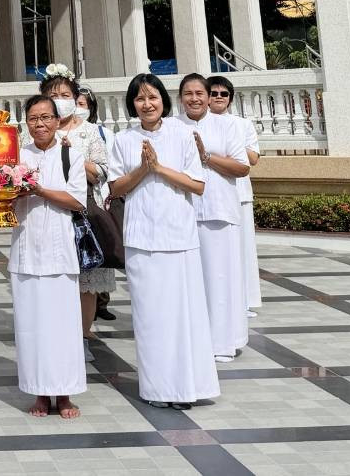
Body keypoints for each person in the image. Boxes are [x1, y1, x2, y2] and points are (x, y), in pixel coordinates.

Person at [108, 73, 218, 410]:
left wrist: (158, 168)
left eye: (152, 97)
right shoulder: (122, 139)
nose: (147, 104)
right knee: (150, 317)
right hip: (142, 239)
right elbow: (115, 189)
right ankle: (158, 389)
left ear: (163, 100)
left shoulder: (183, 134)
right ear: (133, 104)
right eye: (140, 99)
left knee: (184, 317)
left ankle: (187, 386)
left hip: (179, 238)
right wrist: (143, 169)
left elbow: (197, 184)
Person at [11, 94, 88, 418]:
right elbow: (0, 201)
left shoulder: (71, 154)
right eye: (33, 118)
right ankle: (39, 393)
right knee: (31, 328)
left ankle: (65, 393)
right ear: (26, 123)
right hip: (27, 252)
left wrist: (40, 190)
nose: (40, 124)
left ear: (57, 120)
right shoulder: (16, 156)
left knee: (63, 328)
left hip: (60, 254)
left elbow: (77, 201)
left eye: (46, 117)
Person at [180, 74, 250, 362]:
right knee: (192, 282)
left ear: (209, 96)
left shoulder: (227, 126)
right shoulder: (173, 126)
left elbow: (242, 167)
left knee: (220, 279)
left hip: (219, 210)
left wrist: (205, 156)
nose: (194, 98)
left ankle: (223, 342)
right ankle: (194, 341)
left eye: (199, 93)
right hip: (184, 213)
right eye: (188, 93)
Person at [41, 69, 112, 339]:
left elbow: (102, 172)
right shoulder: (38, 129)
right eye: (53, 95)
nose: (59, 100)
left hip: (83, 215)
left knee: (86, 280)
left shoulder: (90, 131)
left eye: (65, 95)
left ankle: (83, 333)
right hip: (48, 212)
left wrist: (71, 156)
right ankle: (56, 334)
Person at [207, 74, 262, 316]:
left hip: (238, 194)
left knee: (243, 249)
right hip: (207, 193)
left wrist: (230, 145)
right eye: (214, 93)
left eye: (223, 94)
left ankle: (245, 300)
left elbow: (252, 158)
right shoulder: (199, 124)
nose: (218, 98)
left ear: (230, 98)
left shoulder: (241, 124)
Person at [76, 85, 116, 321]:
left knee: (97, 252)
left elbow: (105, 170)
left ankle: (100, 303)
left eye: (83, 104)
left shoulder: (100, 134)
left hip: (95, 198)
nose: (79, 108)